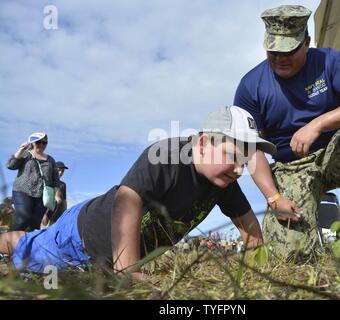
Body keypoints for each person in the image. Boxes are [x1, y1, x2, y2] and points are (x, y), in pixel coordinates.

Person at [0, 106, 275, 282]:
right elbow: (127, 200)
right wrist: (130, 273)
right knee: (25, 245)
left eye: (246, 160)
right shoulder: (167, 156)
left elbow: (251, 231)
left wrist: (254, 275)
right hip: (79, 238)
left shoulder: (223, 182)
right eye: (232, 156)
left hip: (103, 261)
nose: (240, 169)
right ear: (203, 143)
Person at [234, 5, 340, 258]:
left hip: (337, 153)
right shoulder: (250, 86)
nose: (280, 58)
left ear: (307, 43)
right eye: (273, 51)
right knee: (291, 257)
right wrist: (274, 197)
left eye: (289, 50)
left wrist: (318, 124)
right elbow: (249, 149)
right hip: (292, 168)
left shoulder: (330, 61)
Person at [7, 132, 62, 232]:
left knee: (34, 225)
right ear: (33, 143)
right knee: (23, 218)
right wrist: (21, 149)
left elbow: (56, 180)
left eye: (44, 143)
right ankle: (7, 242)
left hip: (42, 195)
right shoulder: (26, 155)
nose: (41, 145)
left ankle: (26, 246)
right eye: (38, 142)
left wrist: (57, 195)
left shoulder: (50, 160)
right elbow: (11, 165)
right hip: (22, 191)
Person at [40, 161, 69, 227]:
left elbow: (64, 201)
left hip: (57, 212)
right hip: (44, 212)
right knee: (43, 229)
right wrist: (43, 213)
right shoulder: (45, 181)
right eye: (59, 170)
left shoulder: (63, 185)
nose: (60, 172)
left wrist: (65, 214)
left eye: (62, 171)